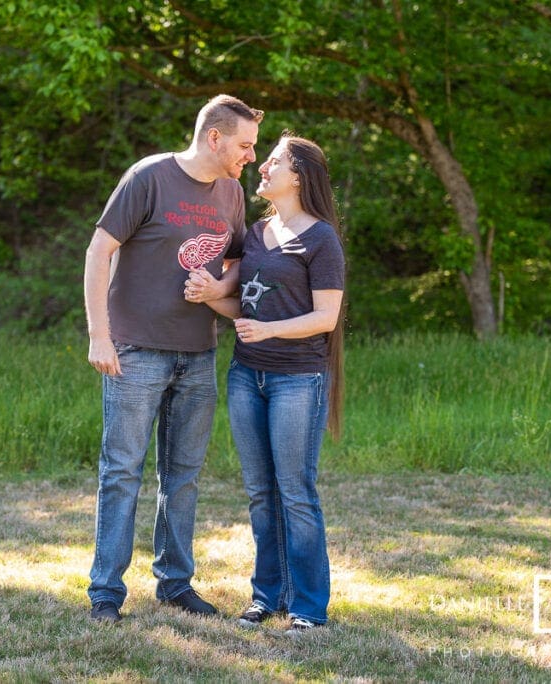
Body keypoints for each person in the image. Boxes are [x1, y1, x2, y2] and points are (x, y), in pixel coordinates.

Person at [83, 94, 264, 623]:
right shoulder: (149, 177)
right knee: (122, 472)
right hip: (135, 350)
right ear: (215, 138)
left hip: (198, 354)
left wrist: (216, 287)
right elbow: (99, 251)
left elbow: (235, 264)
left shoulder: (231, 192)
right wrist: (100, 335)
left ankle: (176, 583)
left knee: (182, 476)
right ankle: (105, 594)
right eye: (245, 145)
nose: (250, 156)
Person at [187, 134, 345, 635]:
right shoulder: (255, 233)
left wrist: (270, 330)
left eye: (272, 161)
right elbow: (244, 307)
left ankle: (310, 608)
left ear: (298, 176)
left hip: (298, 379)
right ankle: (267, 597)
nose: (262, 166)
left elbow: (325, 317)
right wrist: (210, 295)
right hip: (246, 377)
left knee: (295, 492)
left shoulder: (321, 239)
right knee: (260, 493)